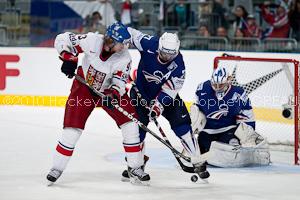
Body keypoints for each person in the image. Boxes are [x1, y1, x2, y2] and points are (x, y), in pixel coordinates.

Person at [46, 22, 150, 186]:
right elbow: (62, 39)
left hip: (108, 91)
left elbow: (120, 81)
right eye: (122, 43)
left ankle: (135, 166)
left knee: (130, 124)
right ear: (111, 41)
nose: (125, 46)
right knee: (72, 130)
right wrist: (68, 58)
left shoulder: (124, 58)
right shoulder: (91, 40)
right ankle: (57, 168)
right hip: (84, 87)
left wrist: (114, 93)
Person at [120, 27, 210, 180]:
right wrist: (117, 38)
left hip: (166, 98)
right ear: (159, 47)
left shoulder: (179, 65)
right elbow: (130, 32)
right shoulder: (149, 44)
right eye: (164, 52)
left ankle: (196, 159)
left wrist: (157, 106)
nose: (168, 56)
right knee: (137, 131)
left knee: (182, 125)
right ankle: (137, 164)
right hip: (140, 95)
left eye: (171, 53)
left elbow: (170, 90)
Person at [190, 66, 270, 167]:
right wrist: (193, 124)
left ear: (229, 80)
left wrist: (247, 134)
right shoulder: (202, 89)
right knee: (203, 151)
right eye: (215, 84)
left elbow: (247, 115)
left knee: (231, 147)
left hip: (228, 130)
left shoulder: (238, 94)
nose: (217, 87)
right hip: (207, 131)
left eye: (221, 85)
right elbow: (196, 109)